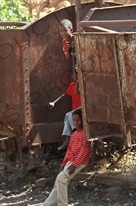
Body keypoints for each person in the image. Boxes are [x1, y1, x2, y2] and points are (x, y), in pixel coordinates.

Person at [30, 108, 91, 206]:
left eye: (78, 120)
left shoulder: (85, 134)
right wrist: (63, 163)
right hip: (70, 162)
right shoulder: (74, 134)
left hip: (79, 162)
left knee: (61, 179)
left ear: (83, 120)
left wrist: (74, 165)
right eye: (74, 120)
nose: (76, 123)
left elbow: (84, 152)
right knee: (59, 183)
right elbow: (69, 150)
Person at [50, 19, 81, 150]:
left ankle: (68, 140)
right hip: (76, 70)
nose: (62, 33)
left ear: (71, 30)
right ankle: (68, 140)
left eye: (65, 30)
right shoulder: (64, 42)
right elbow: (68, 57)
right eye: (60, 31)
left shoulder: (78, 38)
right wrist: (68, 48)